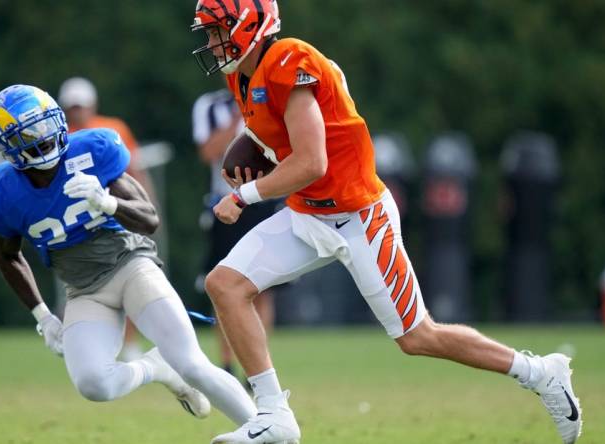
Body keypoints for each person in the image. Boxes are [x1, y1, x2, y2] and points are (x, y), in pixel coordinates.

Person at [190, 1, 583, 443]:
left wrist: (242, 195)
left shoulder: (289, 61)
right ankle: (274, 416)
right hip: (308, 214)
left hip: (360, 217)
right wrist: (250, 147)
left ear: (249, 26)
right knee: (225, 284)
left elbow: (313, 161)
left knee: (418, 336)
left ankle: (541, 372)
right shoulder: (241, 73)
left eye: (217, 30)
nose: (210, 42)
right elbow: (272, 129)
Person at [0, 84, 258, 428]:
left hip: (131, 267)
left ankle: (268, 431)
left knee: (192, 364)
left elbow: (149, 219)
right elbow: (7, 255)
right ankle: (155, 368)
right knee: (94, 384)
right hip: (83, 290)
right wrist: (43, 315)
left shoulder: (92, 150)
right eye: (30, 133)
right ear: (8, 145)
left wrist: (109, 203)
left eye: (46, 125)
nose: (44, 138)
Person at [58, 76, 153, 361]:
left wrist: (145, 207)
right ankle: (91, 344)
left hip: (117, 212)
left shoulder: (113, 129)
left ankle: (131, 342)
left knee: (135, 280)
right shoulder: (60, 138)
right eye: (73, 107)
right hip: (81, 223)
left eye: (81, 106)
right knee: (83, 284)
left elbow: (134, 170)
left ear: (93, 105)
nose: (78, 112)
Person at [192, 87, 277, 379]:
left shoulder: (270, 94)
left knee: (263, 288)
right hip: (226, 202)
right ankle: (227, 365)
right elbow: (207, 152)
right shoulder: (210, 105)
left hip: (264, 201)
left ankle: (257, 369)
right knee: (223, 283)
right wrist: (236, 120)